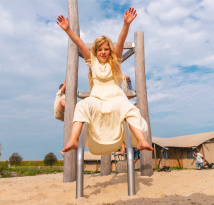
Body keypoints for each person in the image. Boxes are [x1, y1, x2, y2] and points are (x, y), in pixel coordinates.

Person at [57, 7, 153, 155]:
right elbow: (80, 43)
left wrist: (126, 24)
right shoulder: (92, 62)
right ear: (95, 51)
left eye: (106, 49)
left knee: (130, 109)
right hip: (97, 99)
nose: (103, 52)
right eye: (100, 49)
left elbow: (120, 41)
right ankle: (74, 139)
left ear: (110, 52)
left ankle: (141, 141)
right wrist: (67, 29)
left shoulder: (114, 63)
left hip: (116, 99)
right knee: (82, 106)